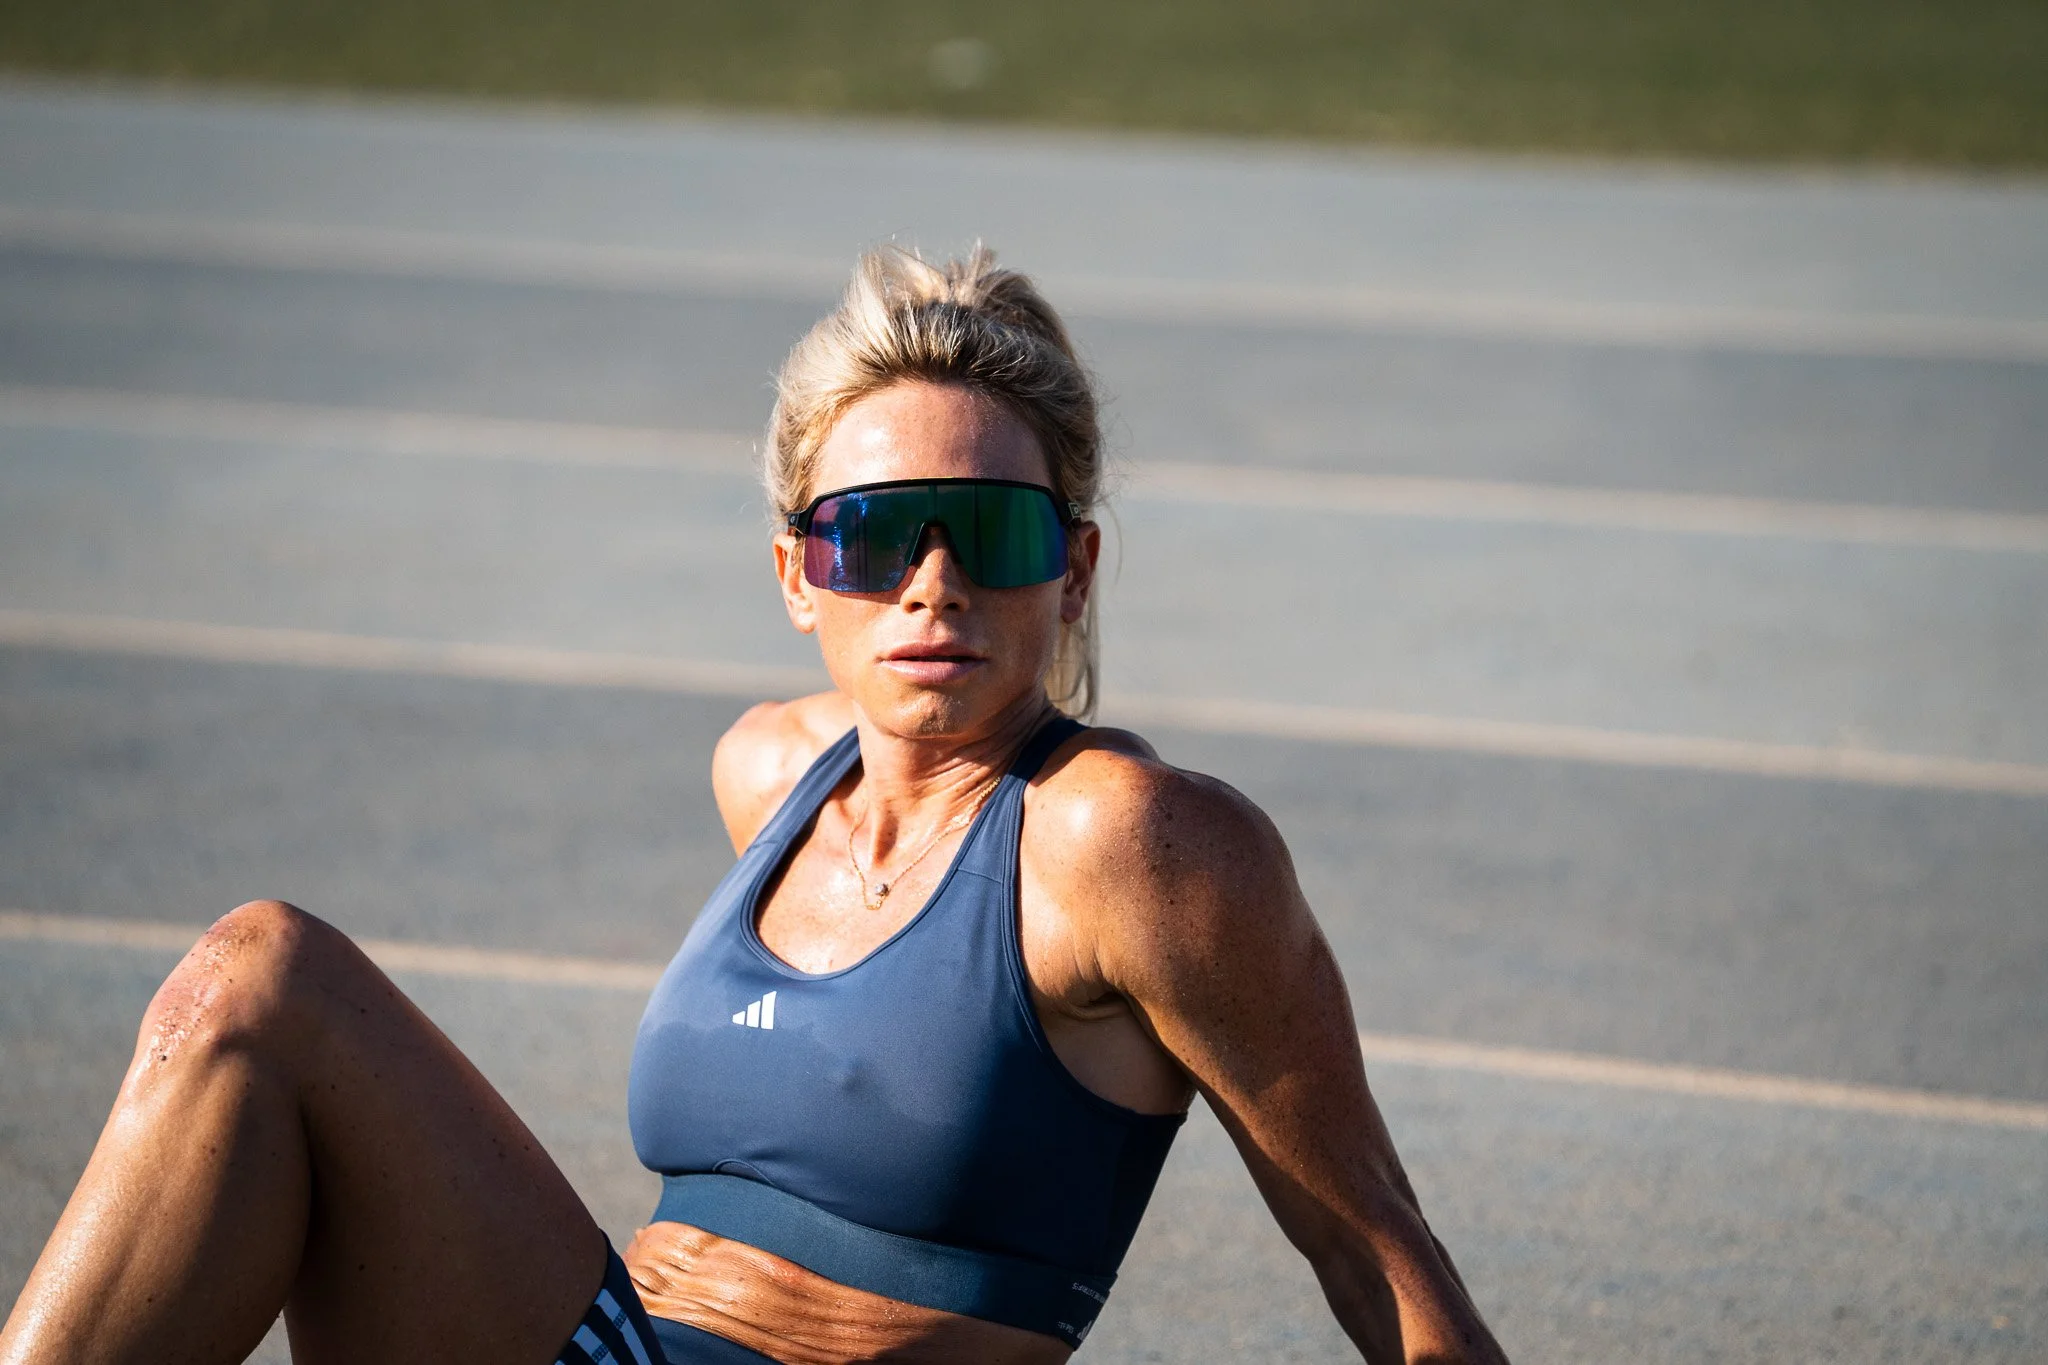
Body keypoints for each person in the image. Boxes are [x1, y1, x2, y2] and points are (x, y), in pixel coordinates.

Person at [0, 246, 1507, 1365]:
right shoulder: (770, 776)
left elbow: (1378, 1258)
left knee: (269, 977)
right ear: (799, 575)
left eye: (989, 531)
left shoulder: (1135, 844)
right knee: (249, 1029)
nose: (934, 583)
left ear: (1078, 572)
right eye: (871, 538)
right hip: (618, 1339)